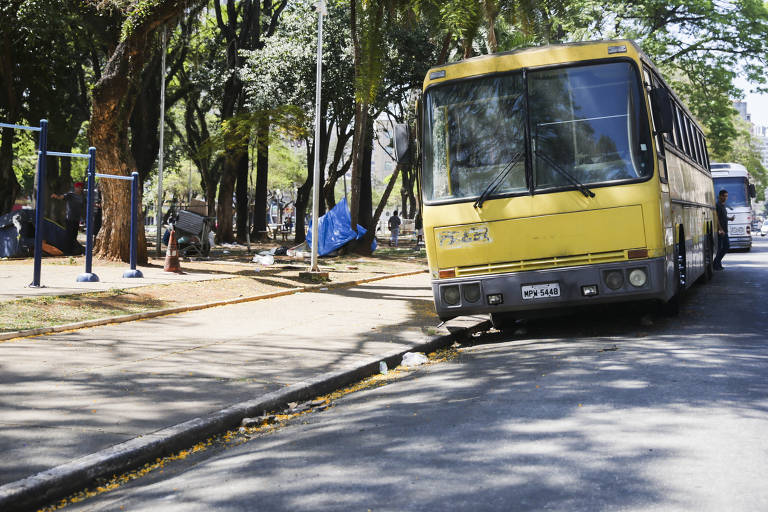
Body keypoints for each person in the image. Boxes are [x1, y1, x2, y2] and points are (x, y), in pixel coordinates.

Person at [50, 182, 84, 252]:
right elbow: (62, 197)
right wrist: (56, 196)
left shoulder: (82, 197)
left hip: (77, 219)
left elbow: (83, 207)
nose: (79, 189)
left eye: (81, 187)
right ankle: (67, 250)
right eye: (78, 187)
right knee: (69, 235)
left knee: (74, 235)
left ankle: (72, 250)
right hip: (70, 219)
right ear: (75, 188)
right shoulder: (71, 195)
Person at [713, 188, 735, 270]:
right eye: (724, 196)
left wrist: (730, 219)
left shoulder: (722, 205)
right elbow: (717, 218)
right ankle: (716, 264)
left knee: (722, 247)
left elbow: (724, 217)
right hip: (721, 231)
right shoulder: (718, 205)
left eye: (726, 196)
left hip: (724, 230)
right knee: (724, 247)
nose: (725, 198)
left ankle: (717, 263)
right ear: (720, 196)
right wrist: (720, 229)